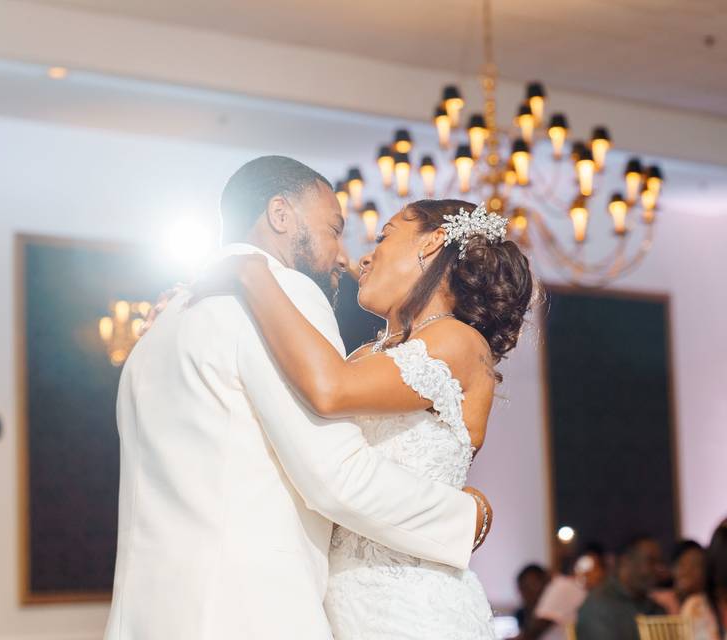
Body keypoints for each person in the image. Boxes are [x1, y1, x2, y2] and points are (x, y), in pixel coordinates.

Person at [104, 157, 494, 639]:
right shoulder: (281, 293)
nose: (345, 257)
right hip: (248, 613)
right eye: (335, 228)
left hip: (148, 615)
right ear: (281, 216)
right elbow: (335, 476)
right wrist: (467, 517)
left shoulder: (166, 322)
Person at [195, 196, 535, 638]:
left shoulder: (459, 340)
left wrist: (252, 272)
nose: (365, 256)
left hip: (415, 609)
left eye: (384, 235)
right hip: (342, 604)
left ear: (432, 243)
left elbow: (330, 390)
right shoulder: (362, 357)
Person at [574, 535, 667, 640]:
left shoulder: (654, 607)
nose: (658, 568)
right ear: (626, 561)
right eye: (651, 561)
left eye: (659, 562)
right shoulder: (598, 605)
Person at [653, 539, 706, 614]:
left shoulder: (709, 607)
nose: (687, 572)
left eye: (694, 565)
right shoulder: (658, 602)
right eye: (682, 565)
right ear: (672, 569)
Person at [515, 564, 551, 629]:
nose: (529, 592)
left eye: (533, 585)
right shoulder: (521, 615)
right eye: (525, 588)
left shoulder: (551, 609)